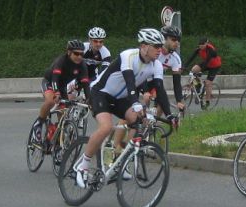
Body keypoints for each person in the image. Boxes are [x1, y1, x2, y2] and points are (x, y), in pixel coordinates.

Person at [73, 28, 174, 189]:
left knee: (140, 121)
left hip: (120, 99)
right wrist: (135, 103)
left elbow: (160, 90)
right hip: (101, 93)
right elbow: (129, 82)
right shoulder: (129, 55)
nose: (160, 50)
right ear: (144, 46)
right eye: (156, 46)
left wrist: (170, 116)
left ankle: (121, 159)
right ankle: (83, 165)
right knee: (106, 127)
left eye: (161, 46)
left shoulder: (156, 65)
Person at [36, 39, 91, 145]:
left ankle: (56, 138)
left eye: (81, 54)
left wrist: (89, 100)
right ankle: (39, 123)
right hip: (49, 82)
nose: (79, 56)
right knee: (50, 102)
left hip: (62, 87)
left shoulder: (82, 64)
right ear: (69, 52)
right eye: (76, 53)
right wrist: (56, 93)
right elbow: (55, 78)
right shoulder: (61, 61)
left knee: (64, 113)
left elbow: (85, 83)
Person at [183, 37, 222, 108]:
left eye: (202, 45)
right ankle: (198, 86)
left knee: (208, 83)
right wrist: (184, 66)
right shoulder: (199, 49)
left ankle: (207, 101)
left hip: (214, 66)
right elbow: (191, 57)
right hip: (206, 63)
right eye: (199, 45)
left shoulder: (211, 50)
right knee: (194, 70)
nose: (200, 47)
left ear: (206, 44)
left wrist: (201, 71)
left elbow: (207, 61)